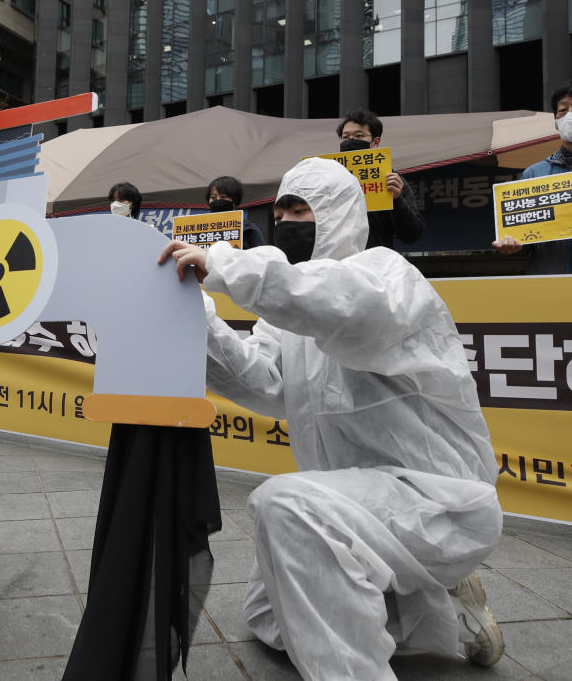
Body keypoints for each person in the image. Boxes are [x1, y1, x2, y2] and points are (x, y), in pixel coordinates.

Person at [159, 156, 503, 680]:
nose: (287, 222)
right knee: (267, 620)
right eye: (280, 210)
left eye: (302, 209)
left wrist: (227, 266)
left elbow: (344, 309)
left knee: (285, 505)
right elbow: (263, 382)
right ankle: (440, 603)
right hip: (362, 506)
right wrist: (196, 315)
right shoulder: (293, 311)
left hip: (439, 502)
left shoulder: (387, 277)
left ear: (339, 214)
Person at [493, 83, 572, 273]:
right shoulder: (534, 174)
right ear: (556, 122)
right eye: (563, 110)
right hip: (549, 285)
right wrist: (512, 244)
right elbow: (524, 241)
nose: (570, 115)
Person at [337, 109, 425, 250]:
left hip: (374, 265)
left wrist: (396, 199)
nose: (351, 141)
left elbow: (411, 234)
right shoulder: (329, 180)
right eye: (345, 137)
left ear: (375, 142)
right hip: (336, 264)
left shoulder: (392, 181)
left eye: (359, 136)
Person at [206, 175, 265, 248]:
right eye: (213, 197)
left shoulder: (249, 230)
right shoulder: (199, 227)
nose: (218, 200)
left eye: (223, 197)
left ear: (235, 201)